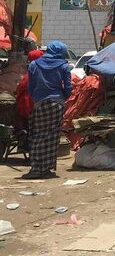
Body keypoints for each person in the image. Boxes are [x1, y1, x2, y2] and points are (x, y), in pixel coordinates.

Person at [23, 41, 72, 180]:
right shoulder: (64, 66)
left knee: (37, 135)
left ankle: (37, 168)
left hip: (39, 103)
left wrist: (37, 99)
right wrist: (62, 97)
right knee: (52, 136)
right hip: (57, 103)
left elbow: (30, 87)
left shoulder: (34, 65)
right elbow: (68, 87)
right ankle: (46, 168)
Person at [15, 49, 43, 133]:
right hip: (42, 107)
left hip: (27, 106)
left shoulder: (30, 72)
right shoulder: (45, 71)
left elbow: (20, 88)